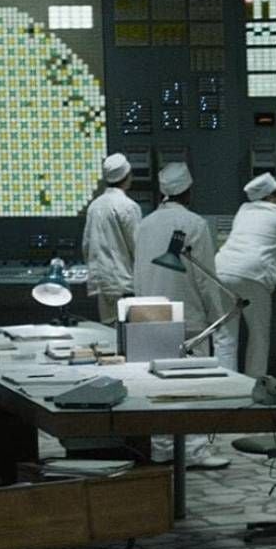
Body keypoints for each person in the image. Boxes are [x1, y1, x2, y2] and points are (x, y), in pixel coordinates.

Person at [132, 162, 229, 470]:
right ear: (188, 191)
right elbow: (205, 276)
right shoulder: (194, 224)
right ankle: (195, 450)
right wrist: (218, 315)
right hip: (189, 317)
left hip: (150, 314)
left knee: (158, 387)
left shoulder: (145, 224)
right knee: (194, 385)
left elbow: (138, 271)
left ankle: (161, 447)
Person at [214, 173, 276, 377]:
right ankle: (255, 384)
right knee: (258, 336)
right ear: (271, 196)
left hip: (222, 270)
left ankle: (226, 385)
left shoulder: (244, 210)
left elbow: (256, 240)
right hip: (253, 276)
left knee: (225, 336)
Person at [82, 153, 142, 324]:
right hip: (123, 284)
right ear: (127, 176)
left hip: (102, 284)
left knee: (109, 332)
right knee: (128, 334)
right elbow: (138, 247)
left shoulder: (94, 206)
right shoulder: (128, 206)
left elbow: (86, 245)